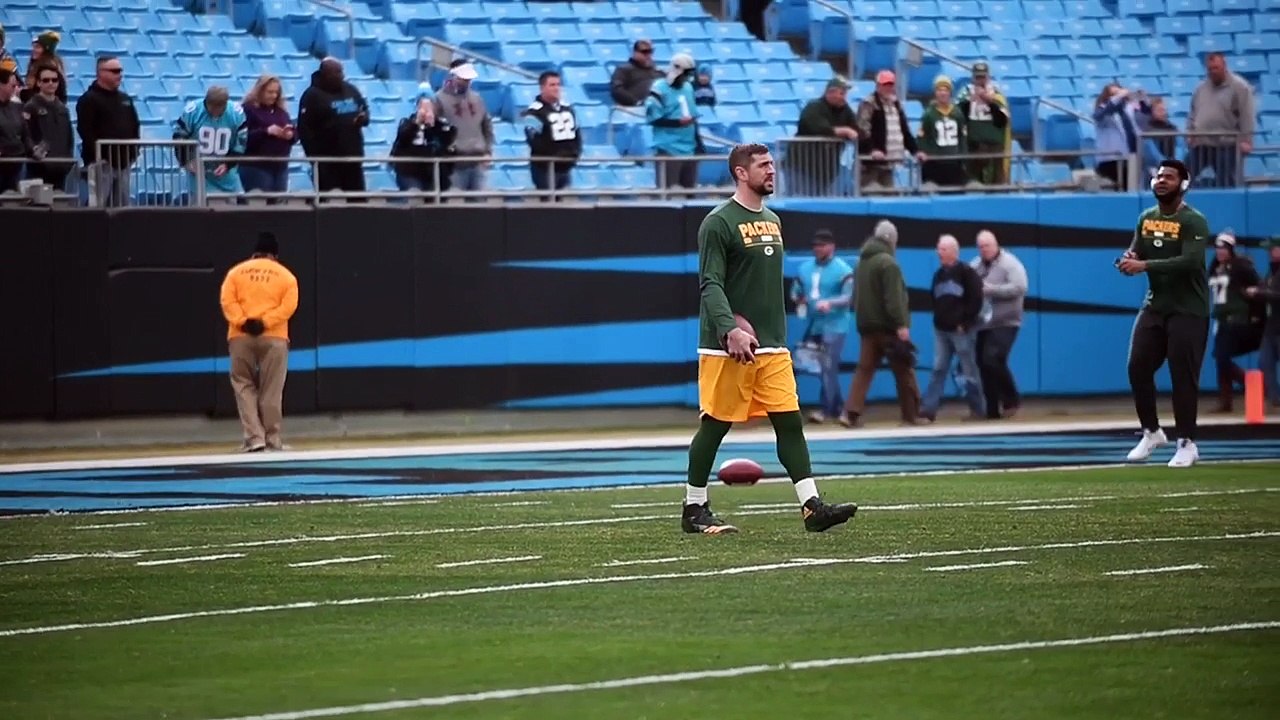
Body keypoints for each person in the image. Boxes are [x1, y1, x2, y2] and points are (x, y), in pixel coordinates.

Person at [683, 143, 857, 535]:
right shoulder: (718, 222)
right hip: (728, 347)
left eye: (772, 164)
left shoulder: (773, 220)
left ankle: (812, 507)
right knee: (715, 425)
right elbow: (710, 283)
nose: (771, 170)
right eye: (763, 165)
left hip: (772, 345)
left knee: (790, 421)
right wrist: (729, 328)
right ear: (741, 173)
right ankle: (693, 508)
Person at [1118, 159, 1212, 468]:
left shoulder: (1194, 221)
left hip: (1189, 309)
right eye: (1158, 176)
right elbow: (1137, 250)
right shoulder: (1146, 218)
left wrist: (1144, 265)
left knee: (1182, 376)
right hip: (1156, 305)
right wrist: (1129, 259)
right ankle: (1152, 432)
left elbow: (1190, 262)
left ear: (1183, 185)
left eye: (1169, 177)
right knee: (1137, 367)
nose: (1161, 180)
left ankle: (1187, 442)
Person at [220, 232, 300, 453]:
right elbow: (288, 307)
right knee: (272, 389)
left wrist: (243, 322)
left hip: (240, 336)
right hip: (274, 336)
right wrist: (265, 323)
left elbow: (227, 301)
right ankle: (273, 439)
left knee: (243, 384)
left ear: (254, 253)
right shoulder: (286, 276)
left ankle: (255, 438)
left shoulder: (236, 273)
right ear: (275, 255)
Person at [842, 220, 924, 427]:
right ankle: (911, 415)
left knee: (864, 370)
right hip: (888, 327)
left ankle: (850, 413)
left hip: (866, 326)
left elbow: (856, 295)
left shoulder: (861, 263)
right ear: (891, 240)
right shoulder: (888, 264)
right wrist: (901, 324)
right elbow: (893, 298)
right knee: (904, 370)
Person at [790, 229, 854, 424]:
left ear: (831, 247)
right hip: (814, 324)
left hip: (835, 324)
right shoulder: (805, 269)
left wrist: (830, 303)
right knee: (820, 367)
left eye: (822, 245)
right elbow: (795, 291)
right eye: (815, 245)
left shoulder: (843, 270)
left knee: (828, 367)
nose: (818, 249)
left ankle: (826, 410)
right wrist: (799, 299)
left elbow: (848, 297)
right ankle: (837, 407)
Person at [920, 234, 986, 422]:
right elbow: (934, 299)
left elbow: (976, 300)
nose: (938, 252)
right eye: (938, 249)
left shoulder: (967, 273)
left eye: (942, 249)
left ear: (953, 252)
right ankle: (928, 410)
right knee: (938, 368)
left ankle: (978, 409)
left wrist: (965, 323)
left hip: (961, 331)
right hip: (941, 329)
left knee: (969, 370)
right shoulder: (938, 275)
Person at [971, 230, 1027, 419]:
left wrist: (992, 290)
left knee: (992, 358)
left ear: (995, 245)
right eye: (980, 246)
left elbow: (1020, 287)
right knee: (982, 363)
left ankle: (1011, 399)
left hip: (1006, 321)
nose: (984, 250)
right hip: (983, 323)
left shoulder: (1010, 263)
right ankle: (992, 409)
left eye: (987, 245)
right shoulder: (975, 265)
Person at [1206, 230, 1264, 412]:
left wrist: (1256, 314)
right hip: (1221, 320)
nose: (1220, 251)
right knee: (1221, 359)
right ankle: (1226, 401)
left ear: (1231, 249)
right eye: (1217, 248)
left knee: (1222, 357)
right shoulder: (1215, 267)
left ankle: (1250, 384)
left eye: (1224, 248)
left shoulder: (1241, 266)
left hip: (1237, 320)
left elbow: (1258, 288)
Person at [76, 56, 141, 207]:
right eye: (115, 71)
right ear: (101, 72)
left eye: (120, 71)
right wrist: (99, 155)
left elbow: (135, 125)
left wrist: (133, 152)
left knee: (121, 206)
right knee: (98, 205)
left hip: (123, 163)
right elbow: (85, 130)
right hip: (101, 164)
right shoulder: (89, 99)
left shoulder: (125, 99)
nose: (120, 75)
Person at [298, 57, 369, 194]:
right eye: (336, 72)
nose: (341, 75)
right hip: (326, 161)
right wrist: (313, 157)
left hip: (352, 157)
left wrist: (363, 118)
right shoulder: (311, 95)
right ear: (325, 74)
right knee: (329, 201)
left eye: (341, 71)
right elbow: (304, 129)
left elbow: (364, 109)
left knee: (358, 200)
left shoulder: (351, 90)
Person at [855, 70, 925, 189]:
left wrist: (915, 151)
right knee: (871, 191)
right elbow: (862, 130)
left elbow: (904, 131)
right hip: (870, 164)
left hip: (889, 162)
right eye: (885, 84)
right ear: (878, 85)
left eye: (890, 84)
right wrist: (872, 150)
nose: (888, 88)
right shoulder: (869, 104)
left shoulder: (896, 104)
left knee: (889, 194)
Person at [172, 86, 247, 195]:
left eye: (219, 108)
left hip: (227, 175)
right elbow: (179, 138)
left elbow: (241, 143)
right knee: (200, 201)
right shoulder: (192, 112)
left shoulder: (236, 114)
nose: (215, 112)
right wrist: (186, 160)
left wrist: (228, 164)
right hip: (198, 172)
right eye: (212, 108)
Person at [794, 77, 857, 195]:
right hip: (803, 166)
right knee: (804, 197)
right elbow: (819, 128)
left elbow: (856, 128)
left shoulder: (845, 109)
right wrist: (844, 131)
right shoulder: (814, 107)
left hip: (827, 169)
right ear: (830, 92)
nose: (844, 97)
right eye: (841, 93)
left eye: (845, 93)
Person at [646, 53, 700, 190]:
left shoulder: (688, 88)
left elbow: (693, 115)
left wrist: (698, 142)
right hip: (668, 147)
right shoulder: (659, 88)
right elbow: (653, 118)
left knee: (690, 192)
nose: (687, 78)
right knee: (667, 191)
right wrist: (677, 123)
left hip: (689, 147)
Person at [521, 70, 581, 192]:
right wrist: (556, 154)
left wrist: (574, 153)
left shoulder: (568, 109)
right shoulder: (534, 112)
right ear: (542, 88)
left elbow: (577, 134)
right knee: (548, 200)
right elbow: (534, 140)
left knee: (563, 199)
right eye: (552, 85)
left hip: (566, 166)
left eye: (558, 84)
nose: (556, 88)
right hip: (545, 167)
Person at [241, 74, 296, 196]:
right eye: (270, 92)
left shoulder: (281, 112)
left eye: (276, 92)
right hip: (256, 166)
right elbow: (242, 138)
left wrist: (290, 135)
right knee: (260, 202)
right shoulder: (248, 110)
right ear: (260, 91)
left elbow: (294, 132)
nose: (274, 96)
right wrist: (266, 131)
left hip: (281, 166)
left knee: (280, 202)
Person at [390, 95, 455, 196]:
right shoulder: (407, 123)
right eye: (423, 108)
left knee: (443, 193)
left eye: (429, 108)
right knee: (415, 195)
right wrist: (416, 123)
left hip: (434, 172)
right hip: (409, 172)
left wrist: (432, 127)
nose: (426, 111)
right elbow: (403, 138)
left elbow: (447, 142)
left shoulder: (441, 125)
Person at [23, 64, 73, 190]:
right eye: (46, 80)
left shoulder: (63, 109)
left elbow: (69, 138)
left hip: (61, 168)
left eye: (54, 80)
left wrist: (68, 161)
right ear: (39, 83)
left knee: (59, 199)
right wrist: (34, 152)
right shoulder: (31, 107)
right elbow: (26, 135)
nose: (51, 83)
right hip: (39, 168)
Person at [1245, 238, 1280, 407]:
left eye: (1272, 249)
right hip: (1271, 326)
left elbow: (1276, 295)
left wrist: (1260, 293)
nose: (1269, 253)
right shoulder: (1271, 272)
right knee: (1265, 362)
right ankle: (1275, 399)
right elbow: (1265, 289)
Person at [918, 75, 967, 187]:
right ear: (935, 93)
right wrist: (926, 154)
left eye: (945, 90)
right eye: (939, 90)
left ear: (950, 93)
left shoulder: (957, 113)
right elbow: (922, 137)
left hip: (954, 161)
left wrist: (963, 157)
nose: (943, 93)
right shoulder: (929, 114)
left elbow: (962, 137)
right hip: (935, 162)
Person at [0, 67, 32, 193]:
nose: (15, 89)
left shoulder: (18, 107)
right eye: (12, 86)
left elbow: (25, 133)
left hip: (16, 162)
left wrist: (32, 149)